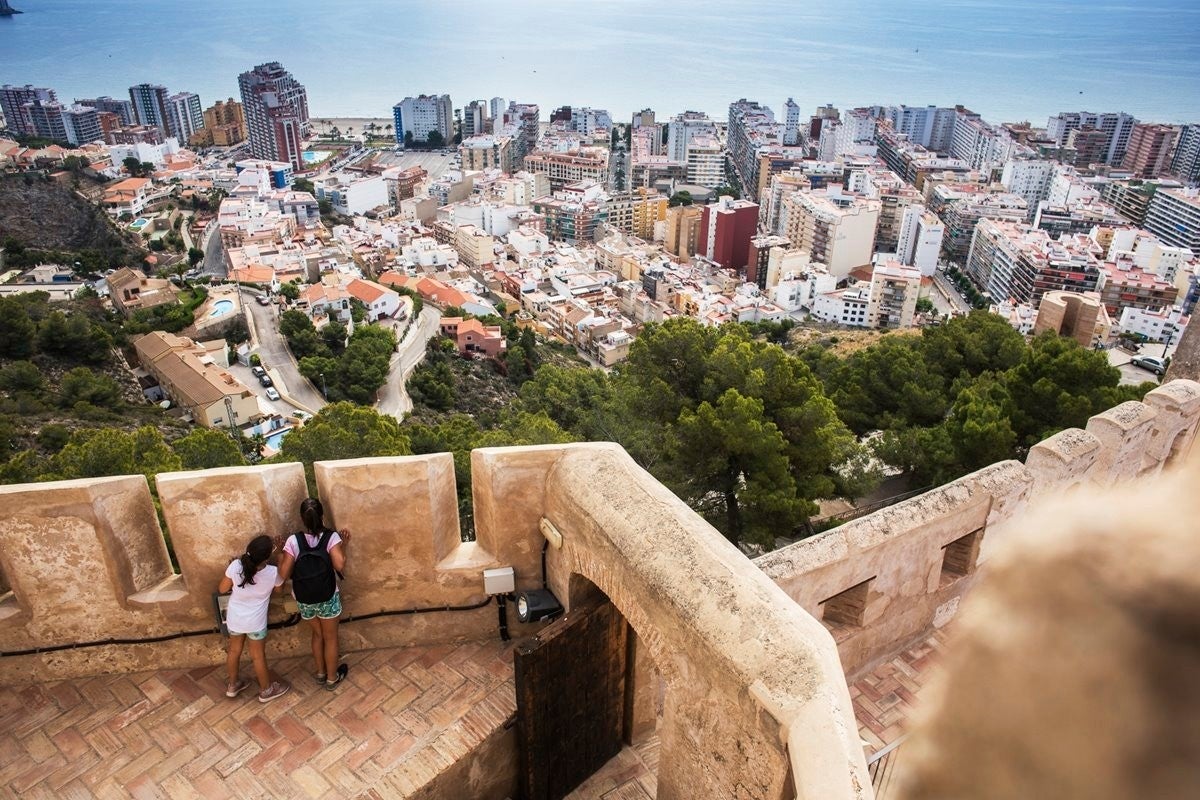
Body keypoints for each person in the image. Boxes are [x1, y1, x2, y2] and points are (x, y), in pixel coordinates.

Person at [278, 497, 350, 690]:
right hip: (327, 597)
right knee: (331, 637)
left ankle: (320, 672)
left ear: (302, 518)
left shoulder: (294, 541)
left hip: (304, 599)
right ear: (322, 516)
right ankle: (332, 678)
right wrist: (343, 546)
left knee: (317, 635)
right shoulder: (331, 538)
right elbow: (339, 565)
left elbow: (283, 574)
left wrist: (280, 552)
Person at [218, 534, 291, 703]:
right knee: (258, 656)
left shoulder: (235, 566)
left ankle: (232, 685)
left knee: (234, 651)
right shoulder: (273, 572)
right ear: (267, 556)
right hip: (256, 623)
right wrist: (280, 554)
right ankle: (266, 690)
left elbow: (222, 589)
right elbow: (279, 590)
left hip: (235, 619)